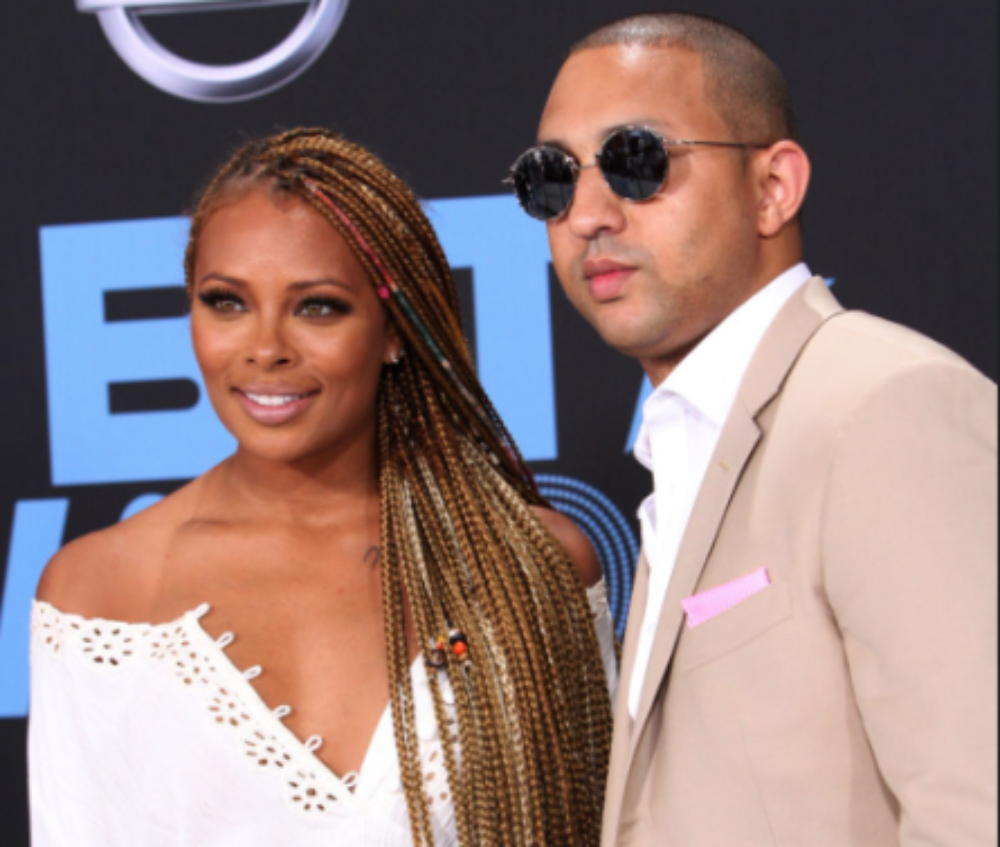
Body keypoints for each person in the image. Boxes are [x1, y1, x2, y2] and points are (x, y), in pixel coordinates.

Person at [29, 129, 617, 847]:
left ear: (394, 330)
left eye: (317, 306)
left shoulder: (530, 564)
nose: (266, 346)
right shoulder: (99, 591)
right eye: (225, 301)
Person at [506, 12, 998, 847]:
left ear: (773, 187)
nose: (587, 213)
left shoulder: (885, 408)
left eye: (637, 161)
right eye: (551, 180)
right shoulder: (686, 444)